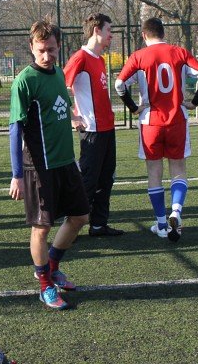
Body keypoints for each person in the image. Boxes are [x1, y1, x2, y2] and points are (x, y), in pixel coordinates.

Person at [9, 20, 89, 310]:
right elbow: (15, 129)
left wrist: (73, 118)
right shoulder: (24, 81)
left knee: (80, 217)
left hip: (66, 162)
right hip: (39, 167)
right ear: (31, 47)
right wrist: (17, 175)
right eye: (41, 50)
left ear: (58, 47)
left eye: (51, 50)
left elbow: (59, 105)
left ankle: (51, 266)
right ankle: (45, 286)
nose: (47, 56)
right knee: (41, 228)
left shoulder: (58, 73)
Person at [114, 17, 198, 243]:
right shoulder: (179, 53)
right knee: (178, 169)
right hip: (177, 119)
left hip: (150, 122)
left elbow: (119, 84)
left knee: (154, 173)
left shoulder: (138, 57)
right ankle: (176, 212)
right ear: (163, 33)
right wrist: (195, 102)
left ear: (144, 35)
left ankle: (160, 224)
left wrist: (133, 108)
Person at [63, 13, 124, 237]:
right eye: (109, 30)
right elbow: (61, 86)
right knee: (88, 180)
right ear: (96, 30)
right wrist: (73, 116)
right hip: (91, 130)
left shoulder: (99, 59)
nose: (111, 35)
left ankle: (98, 225)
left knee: (106, 178)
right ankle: (70, 229)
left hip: (107, 128)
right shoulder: (80, 57)